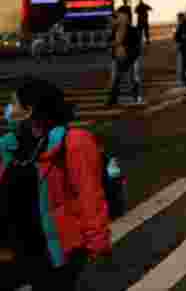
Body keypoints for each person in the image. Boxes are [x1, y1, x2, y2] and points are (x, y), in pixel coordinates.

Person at [0, 77, 111, 289]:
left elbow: (89, 195)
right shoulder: (9, 146)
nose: (8, 109)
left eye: (13, 103)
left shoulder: (74, 143)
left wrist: (98, 243)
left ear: (29, 110)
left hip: (59, 250)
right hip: (19, 247)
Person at [106, 12, 143, 107]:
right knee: (116, 80)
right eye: (119, 18)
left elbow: (137, 45)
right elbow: (109, 42)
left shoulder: (133, 30)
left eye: (122, 18)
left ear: (126, 20)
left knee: (133, 79)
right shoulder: (115, 30)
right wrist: (114, 44)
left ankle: (136, 97)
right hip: (118, 58)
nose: (120, 19)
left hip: (130, 58)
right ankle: (112, 99)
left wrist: (129, 52)